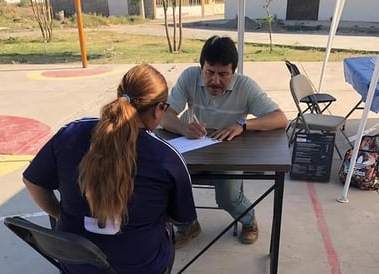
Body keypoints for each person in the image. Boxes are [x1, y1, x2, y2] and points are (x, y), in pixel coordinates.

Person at [22, 64, 197, 274]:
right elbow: (182, 217)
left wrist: (63, 215)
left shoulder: (71, 134)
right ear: (159, 109)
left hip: (76, 264)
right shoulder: (166, 157)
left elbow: (32, 182)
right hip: (140, 266)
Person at [160, 35, 288, 247]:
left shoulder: (246, 86)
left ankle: (248, 221)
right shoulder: (189, 77)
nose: (215, 80)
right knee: (165, 182)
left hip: (229, 153)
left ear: (234, 72)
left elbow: (280, 118)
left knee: (228, 197)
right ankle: (187, 225)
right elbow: (165, 116)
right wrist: (184, 127)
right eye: (209, 72)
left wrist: (243, 126)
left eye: (223, 74)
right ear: (201, 67)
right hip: (194, 147)